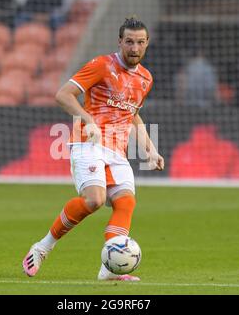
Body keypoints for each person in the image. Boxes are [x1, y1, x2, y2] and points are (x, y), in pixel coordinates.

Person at [22, 17, 164, 281]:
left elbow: (133, 115)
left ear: (147, 44)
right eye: (129, 42)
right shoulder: (101, 65)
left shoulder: (145, 78)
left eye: (140, 42)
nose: (134, 48)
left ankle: (109, 270)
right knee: (95, 200)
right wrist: (88, 120)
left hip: (117, 150)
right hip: (89, 142)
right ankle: (42, 247)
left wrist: (150, 150)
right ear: (120, 42)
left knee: (126, 202)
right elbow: (63, 94)